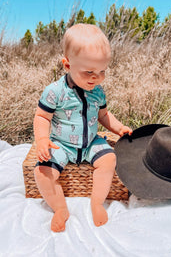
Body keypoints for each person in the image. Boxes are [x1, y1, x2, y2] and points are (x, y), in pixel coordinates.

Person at [33, 23, 132, 233]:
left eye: (102, 71)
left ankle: (97, 203)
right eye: (89, 72)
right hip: (62, 144)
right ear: (67, 65)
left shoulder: (97, 91)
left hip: (90, 143)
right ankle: (60, 208)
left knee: (109, 159)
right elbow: (42, 116)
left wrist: (119, 128)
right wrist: (42, 140)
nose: (96, 78)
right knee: (42, 173)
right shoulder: (55, 91)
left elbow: (103, 115)